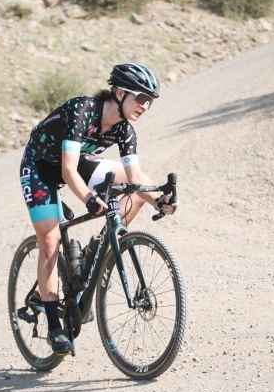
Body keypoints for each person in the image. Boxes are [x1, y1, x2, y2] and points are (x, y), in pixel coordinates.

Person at [19, 63, 178, 355]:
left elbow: (135, 179)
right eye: (141, 98)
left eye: (149, 102)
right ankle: (55, 327)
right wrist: (89, 199)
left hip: (79, 160)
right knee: (51, 242)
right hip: (41, 165)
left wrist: (160, 200)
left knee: (139, 191)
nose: (145, 106)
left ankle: (98, 247)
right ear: (120, 92)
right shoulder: (83, 110)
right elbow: (67, 171)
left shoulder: (125, 130)